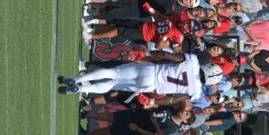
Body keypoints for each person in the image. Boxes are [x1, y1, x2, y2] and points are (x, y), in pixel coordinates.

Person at [57, 52, 203, 98]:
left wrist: (147, 54)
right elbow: (174, 100)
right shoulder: (195, 91)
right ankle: (80, 89)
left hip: (152, 70)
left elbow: (166, 55)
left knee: (112, 73)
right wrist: (153, 103)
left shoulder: (193, 62)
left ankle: (76, 80)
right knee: (113, 84)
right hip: (151, 86)